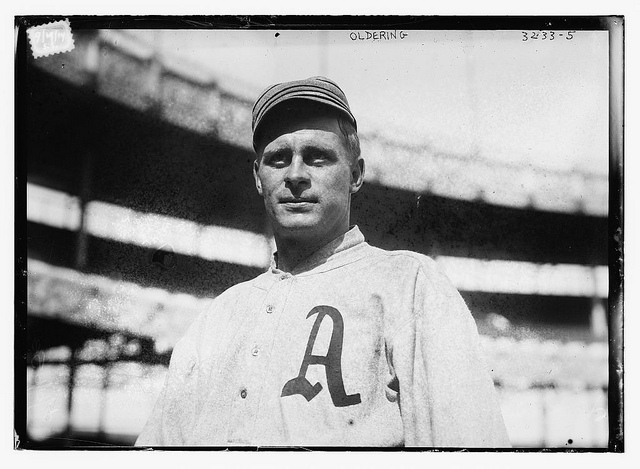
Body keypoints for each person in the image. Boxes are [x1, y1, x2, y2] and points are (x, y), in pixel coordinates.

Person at [135, 76, 510, 447]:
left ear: (355, 175)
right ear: (258, 177)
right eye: (278, 159)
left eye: (318, 157)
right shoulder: (218, 317)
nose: (296, 175)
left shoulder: (409, 284)